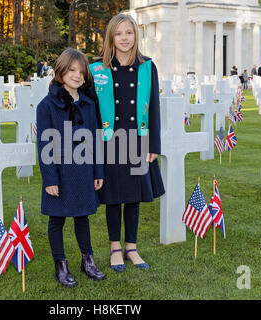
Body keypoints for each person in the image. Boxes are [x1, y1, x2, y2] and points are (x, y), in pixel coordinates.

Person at [89, 14, 165, 272]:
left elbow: (154, 106)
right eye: (119, 33)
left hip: (137, 139)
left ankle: (131, 247)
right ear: (111, 36)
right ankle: (115, 248)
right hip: (109, 141)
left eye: (129, 33)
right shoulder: (97, 68)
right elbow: (91, 110)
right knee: (113, 197)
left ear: (136, 35)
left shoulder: (147, 66)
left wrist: (154, 145)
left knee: (133, 196)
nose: (124, 38)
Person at [36, 48, 106, 288]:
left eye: (81, 71)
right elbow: (45, 145)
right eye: (72, 70)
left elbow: (96, 139)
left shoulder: (88, 103)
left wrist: (98, 172)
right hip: (60, 171)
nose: (77, 75)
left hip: (84, 171)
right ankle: (61, 265)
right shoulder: (46, 106)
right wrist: (50, 180)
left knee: (82, 217)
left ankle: (88, 261)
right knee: (57, 219)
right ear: (61, 71)